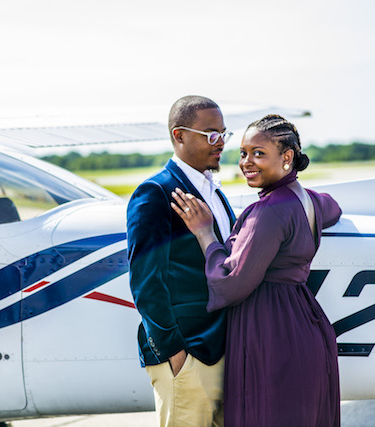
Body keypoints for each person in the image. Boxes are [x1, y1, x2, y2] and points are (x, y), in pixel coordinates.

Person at [171, 114, 341, 427]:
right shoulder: (308, 200)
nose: (247, 162)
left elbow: (231, 285)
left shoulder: (268, 211)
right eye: (244, 153)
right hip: (306, 327)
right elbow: (333, 206)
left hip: (271, 335)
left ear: (287, 157)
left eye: (259, 154)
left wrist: (205, 232)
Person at [127, 95, 237, 427]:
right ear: (180, 135)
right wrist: (175, 354)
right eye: (210, 134)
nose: (220, 143)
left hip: (223, 352)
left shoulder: (214, 191)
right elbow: (147, 282)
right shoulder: (155, 193)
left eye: (223, 133)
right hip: (188, 357)